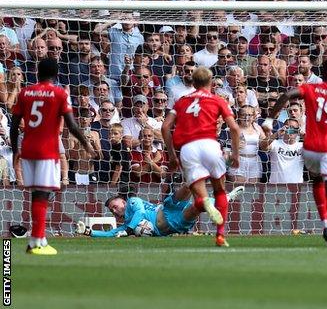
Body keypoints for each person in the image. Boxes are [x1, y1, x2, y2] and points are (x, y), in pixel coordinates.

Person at [262, 58, 327, 246]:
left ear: (321, 72)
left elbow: (288, 94)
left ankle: (324, 222)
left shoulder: (311, 89)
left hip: (310, 148)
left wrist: (270, 120)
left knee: (317, 180)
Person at [10, 58, 95, 255]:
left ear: (38, 72)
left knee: (37, 194)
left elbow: (14, 126)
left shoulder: (25, 92)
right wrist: (86, 144)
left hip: (28, 148)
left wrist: (16, 150)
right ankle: (37, 242)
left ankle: (38, 239)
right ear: (56, 74)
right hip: (47, 150)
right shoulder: (59, 93)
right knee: (43, 194)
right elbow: (72, 125)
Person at [161, 66, 241, 247]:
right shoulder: (217, 99)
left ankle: (204, 201)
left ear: (193, 82)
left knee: (198, 193)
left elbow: (165, 127)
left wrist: (172, 156)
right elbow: (235, 129)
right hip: (210, 145)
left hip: (188, 149)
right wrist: (235, 154)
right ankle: (220, 235)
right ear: (211, 82)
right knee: (220, 190)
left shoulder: (181, 101)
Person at [75, 185, 245, 237]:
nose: (115, 210)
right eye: (113, 210)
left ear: (122, 200)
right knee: (197, 207)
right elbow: (111, 233)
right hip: (174, 224)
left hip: (166, 210)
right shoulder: (128, 224)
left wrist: (128, 230)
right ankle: (222, 199)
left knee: (188, 188)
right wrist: (89, 232)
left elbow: (141, 213)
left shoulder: (133, 203)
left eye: (115, 205)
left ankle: (199, 178)